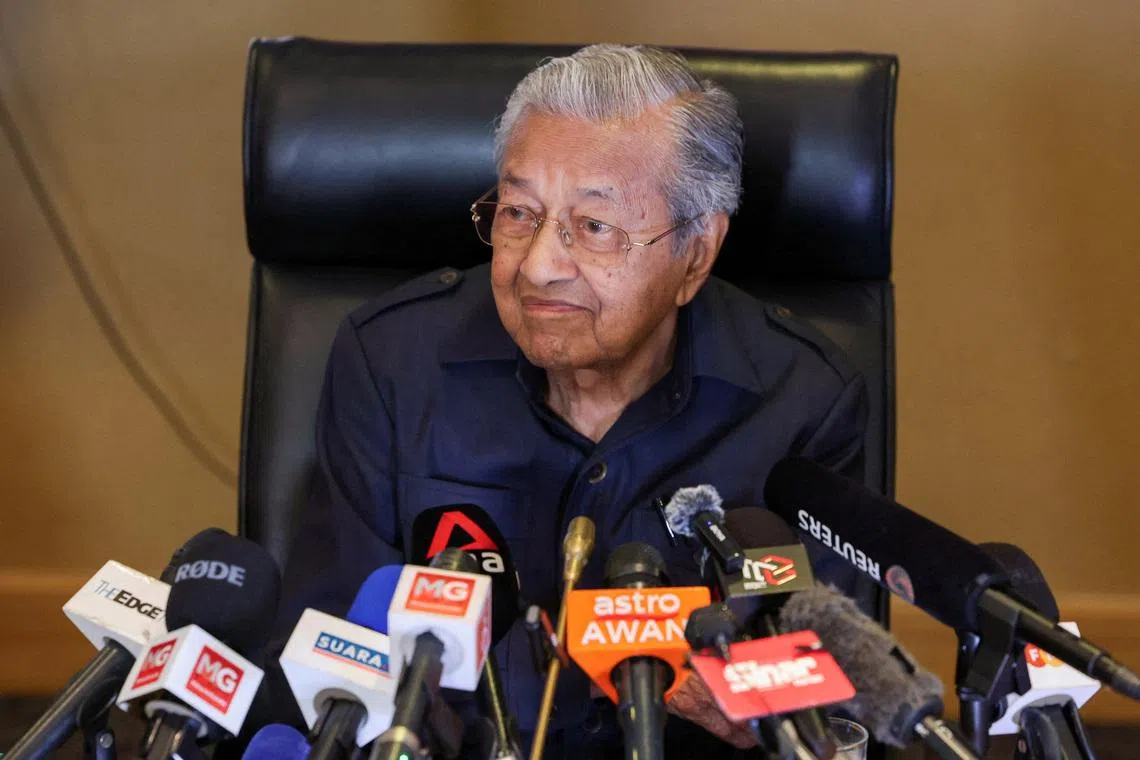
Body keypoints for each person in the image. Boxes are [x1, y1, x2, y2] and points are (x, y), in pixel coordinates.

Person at [274, 43, 868, 758]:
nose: (539, 265)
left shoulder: (803, 402)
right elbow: (332, 660)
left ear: (697, 252)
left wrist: (765, 715)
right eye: (519, 213)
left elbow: (833, 697)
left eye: (594, 228)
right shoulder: (391, 365)